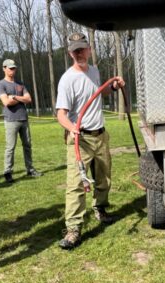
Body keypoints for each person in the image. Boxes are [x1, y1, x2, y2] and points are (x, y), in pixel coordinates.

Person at [56, 32, 125, 249]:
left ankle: (101, 209)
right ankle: (73, 229)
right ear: (70, 53)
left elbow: (98, 94)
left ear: (88, 50)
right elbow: (61, 114)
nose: (79, 53)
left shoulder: (94, 71)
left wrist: (113, 87)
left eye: (82, 49)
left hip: (100, 136)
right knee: (76, 184)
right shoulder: (67, 80)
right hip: (81, 140)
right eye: (74, 50)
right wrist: (72, 129)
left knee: (104, 177)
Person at [0, 59, 41, 183]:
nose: (12, 70)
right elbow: (6, 102)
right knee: (10, 147)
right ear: (4, 68)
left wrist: (15, 97)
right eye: (10, 68)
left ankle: (30, 169)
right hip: (11, 120)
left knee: (27, 145)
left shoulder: (20, 84)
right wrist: (22, 99)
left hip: (24, 119)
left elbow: (29, 99)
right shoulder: (1, 84)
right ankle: (7, 172)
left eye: (14, 68)